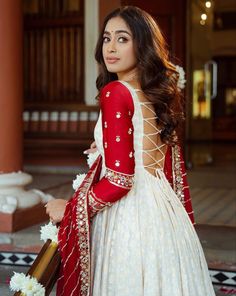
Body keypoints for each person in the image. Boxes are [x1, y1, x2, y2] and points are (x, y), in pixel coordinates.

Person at [46, 6, 215, 296]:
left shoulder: (116, 92)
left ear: (143, 44)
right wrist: (104, 148)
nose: (110, 48)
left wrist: (71, 209)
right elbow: (153, 156)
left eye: (122, 39)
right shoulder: (155, 94)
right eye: (107, 38)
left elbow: (120, 179)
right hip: (163, 212)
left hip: (129, 216)